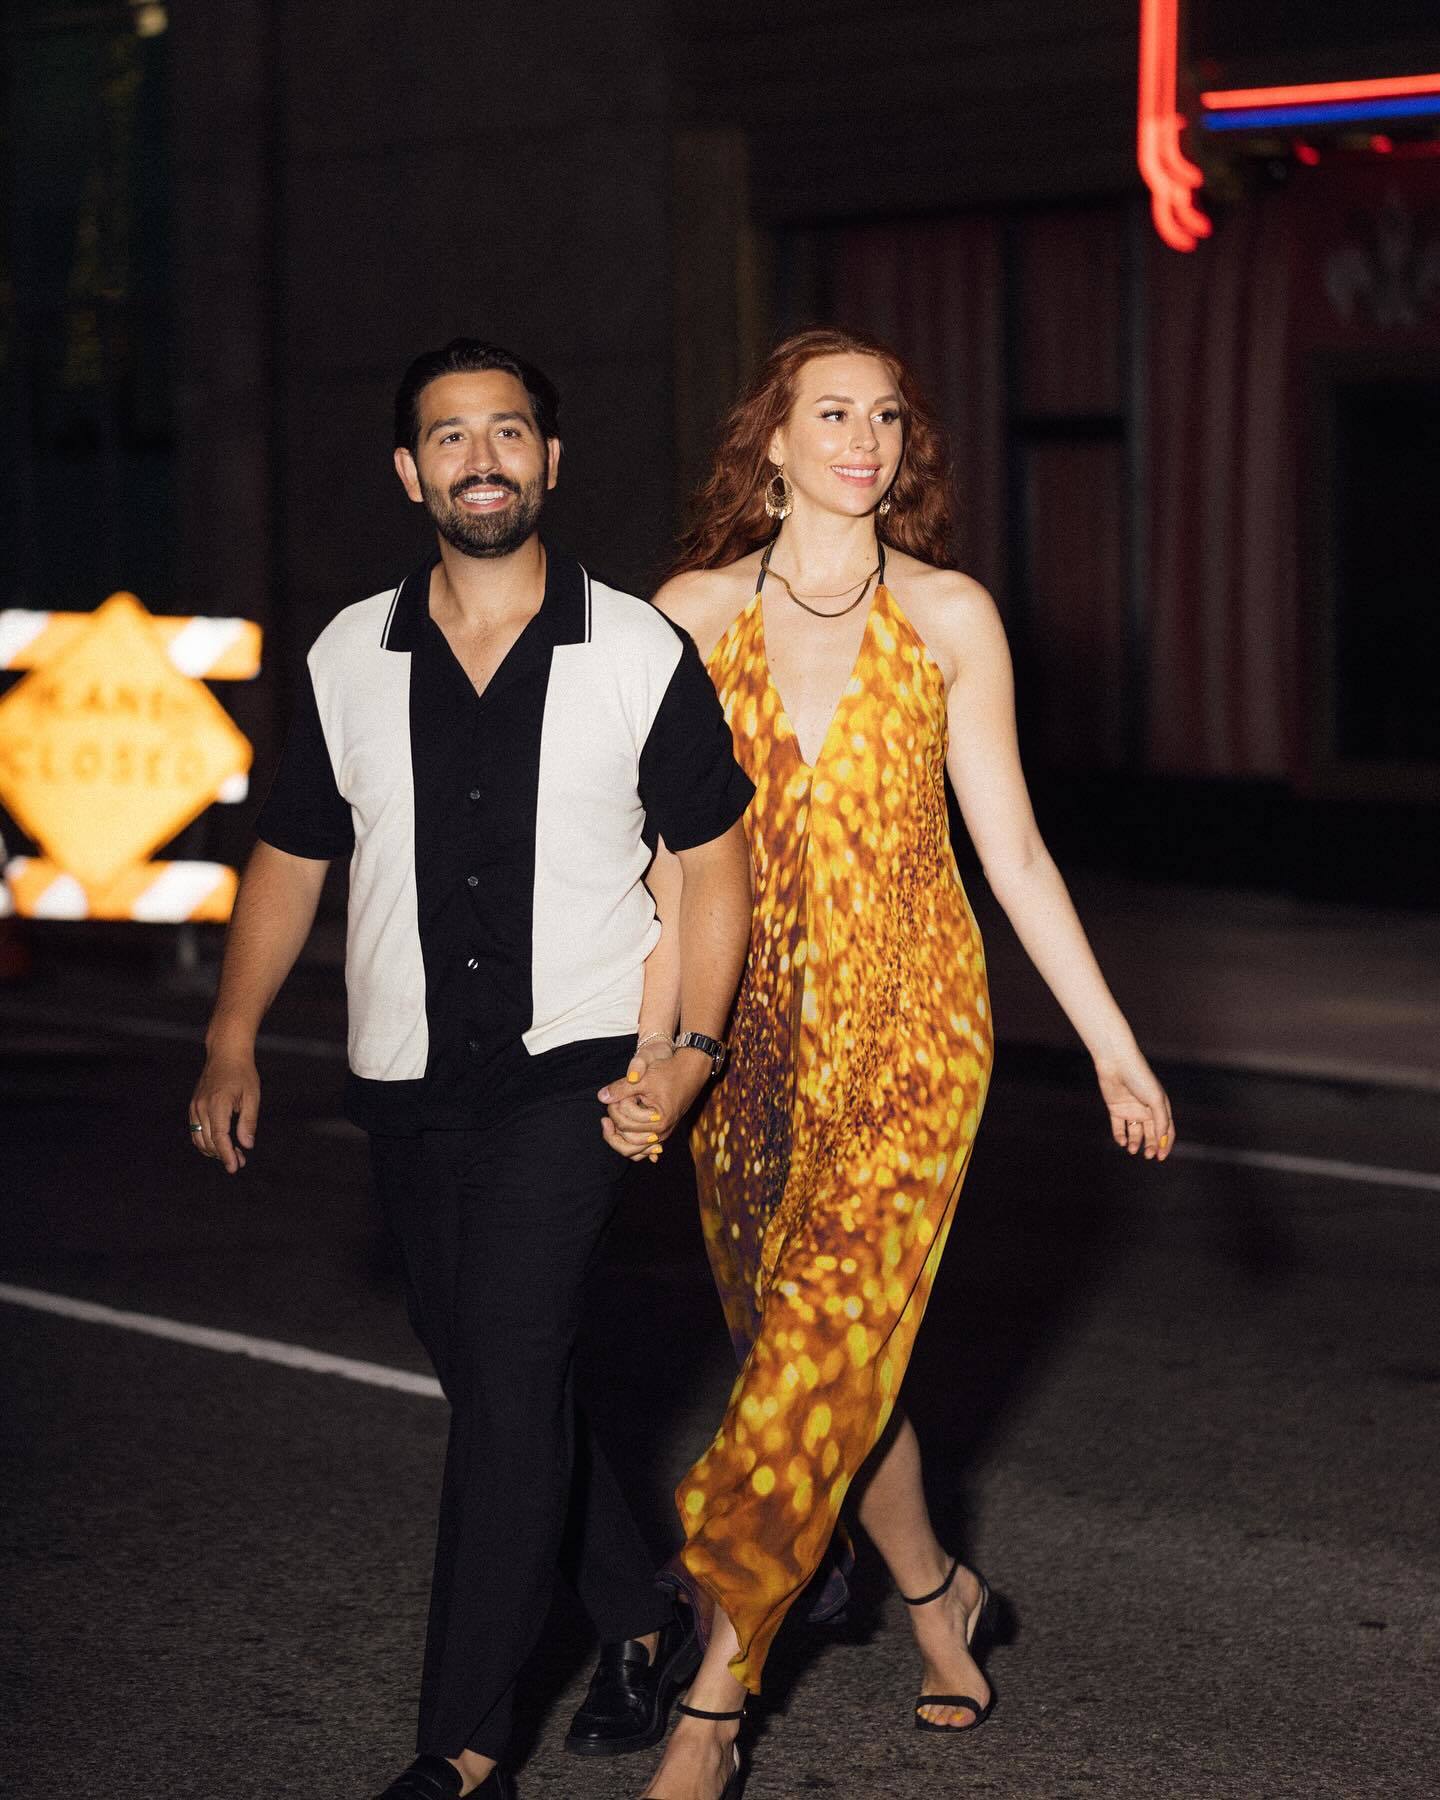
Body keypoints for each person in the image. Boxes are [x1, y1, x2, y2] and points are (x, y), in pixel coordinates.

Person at [604, 327, 1175, 1800]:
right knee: (822, 1358)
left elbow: (1016, 854)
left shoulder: (949, 615)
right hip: (746, 1042)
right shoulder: (688, 616)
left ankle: (711, 1712)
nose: (866, 438)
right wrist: (661, 1052)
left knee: (816, 1355)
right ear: (773, 440)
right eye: (833, 412)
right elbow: (669, 869)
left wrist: (1116, 1051)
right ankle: (938, 1597)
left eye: (889, 416)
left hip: (920, 1030)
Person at [187, 339, 754, 1799]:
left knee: (504, 1383)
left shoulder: (636, 649)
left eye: (509, 432)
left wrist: (689, 1051)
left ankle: (463, 1744)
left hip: (577, 1069)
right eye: (450, 436)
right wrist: (233, 1034)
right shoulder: (346, 654)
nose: (481, 458)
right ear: (409, 472)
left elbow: (714, 865)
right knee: (505, 1382)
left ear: (551, 462)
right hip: (408, 1078)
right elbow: (293, 853)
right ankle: (638, 1611)